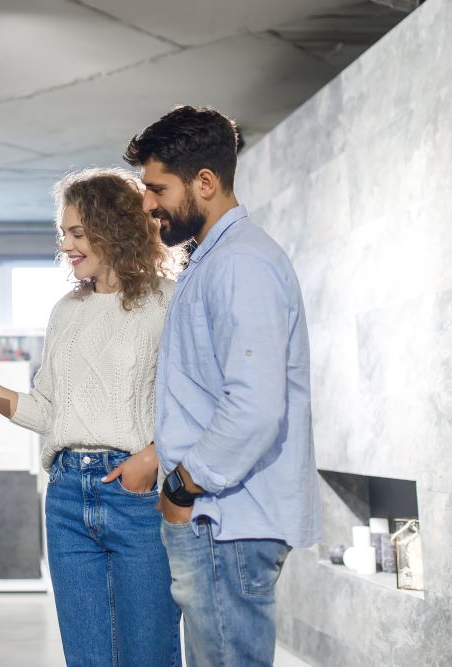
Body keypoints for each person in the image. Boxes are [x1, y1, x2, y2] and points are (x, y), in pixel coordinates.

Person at [0, 168, 181, 666]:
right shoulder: (66, 310)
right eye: (64, 233)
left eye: (77, 233)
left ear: (114, 230)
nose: (66, 245)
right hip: (66, 498)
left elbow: (192, 401)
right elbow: (46, 411)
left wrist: (151, 457)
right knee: (87, 659)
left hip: (137, 498)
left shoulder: (166, 302)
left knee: (148, 656)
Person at [124, 105, 321, 666]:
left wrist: (185, 485)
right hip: (219, 518)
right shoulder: (216, 260)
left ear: (204, 183)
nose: (147, 203)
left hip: (223, 519)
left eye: (157, 188)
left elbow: (256, 407)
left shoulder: (240, 263)